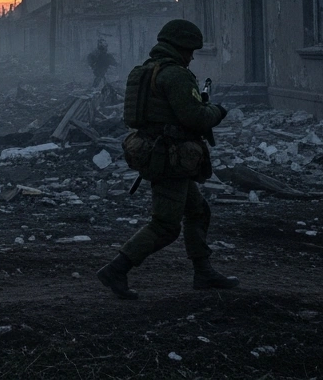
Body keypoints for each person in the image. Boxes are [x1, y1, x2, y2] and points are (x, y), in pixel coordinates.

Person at [97, 19, 238, 299]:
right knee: (165, 225)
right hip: (171, 159)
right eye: (189, 50)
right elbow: (195, 117)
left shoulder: (145, 71)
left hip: (158, 152)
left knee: (198, 211)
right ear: (179, 47)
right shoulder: (175, 75)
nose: (192, 56)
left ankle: (203, 271)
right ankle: (117, 268)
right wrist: (217, 111)